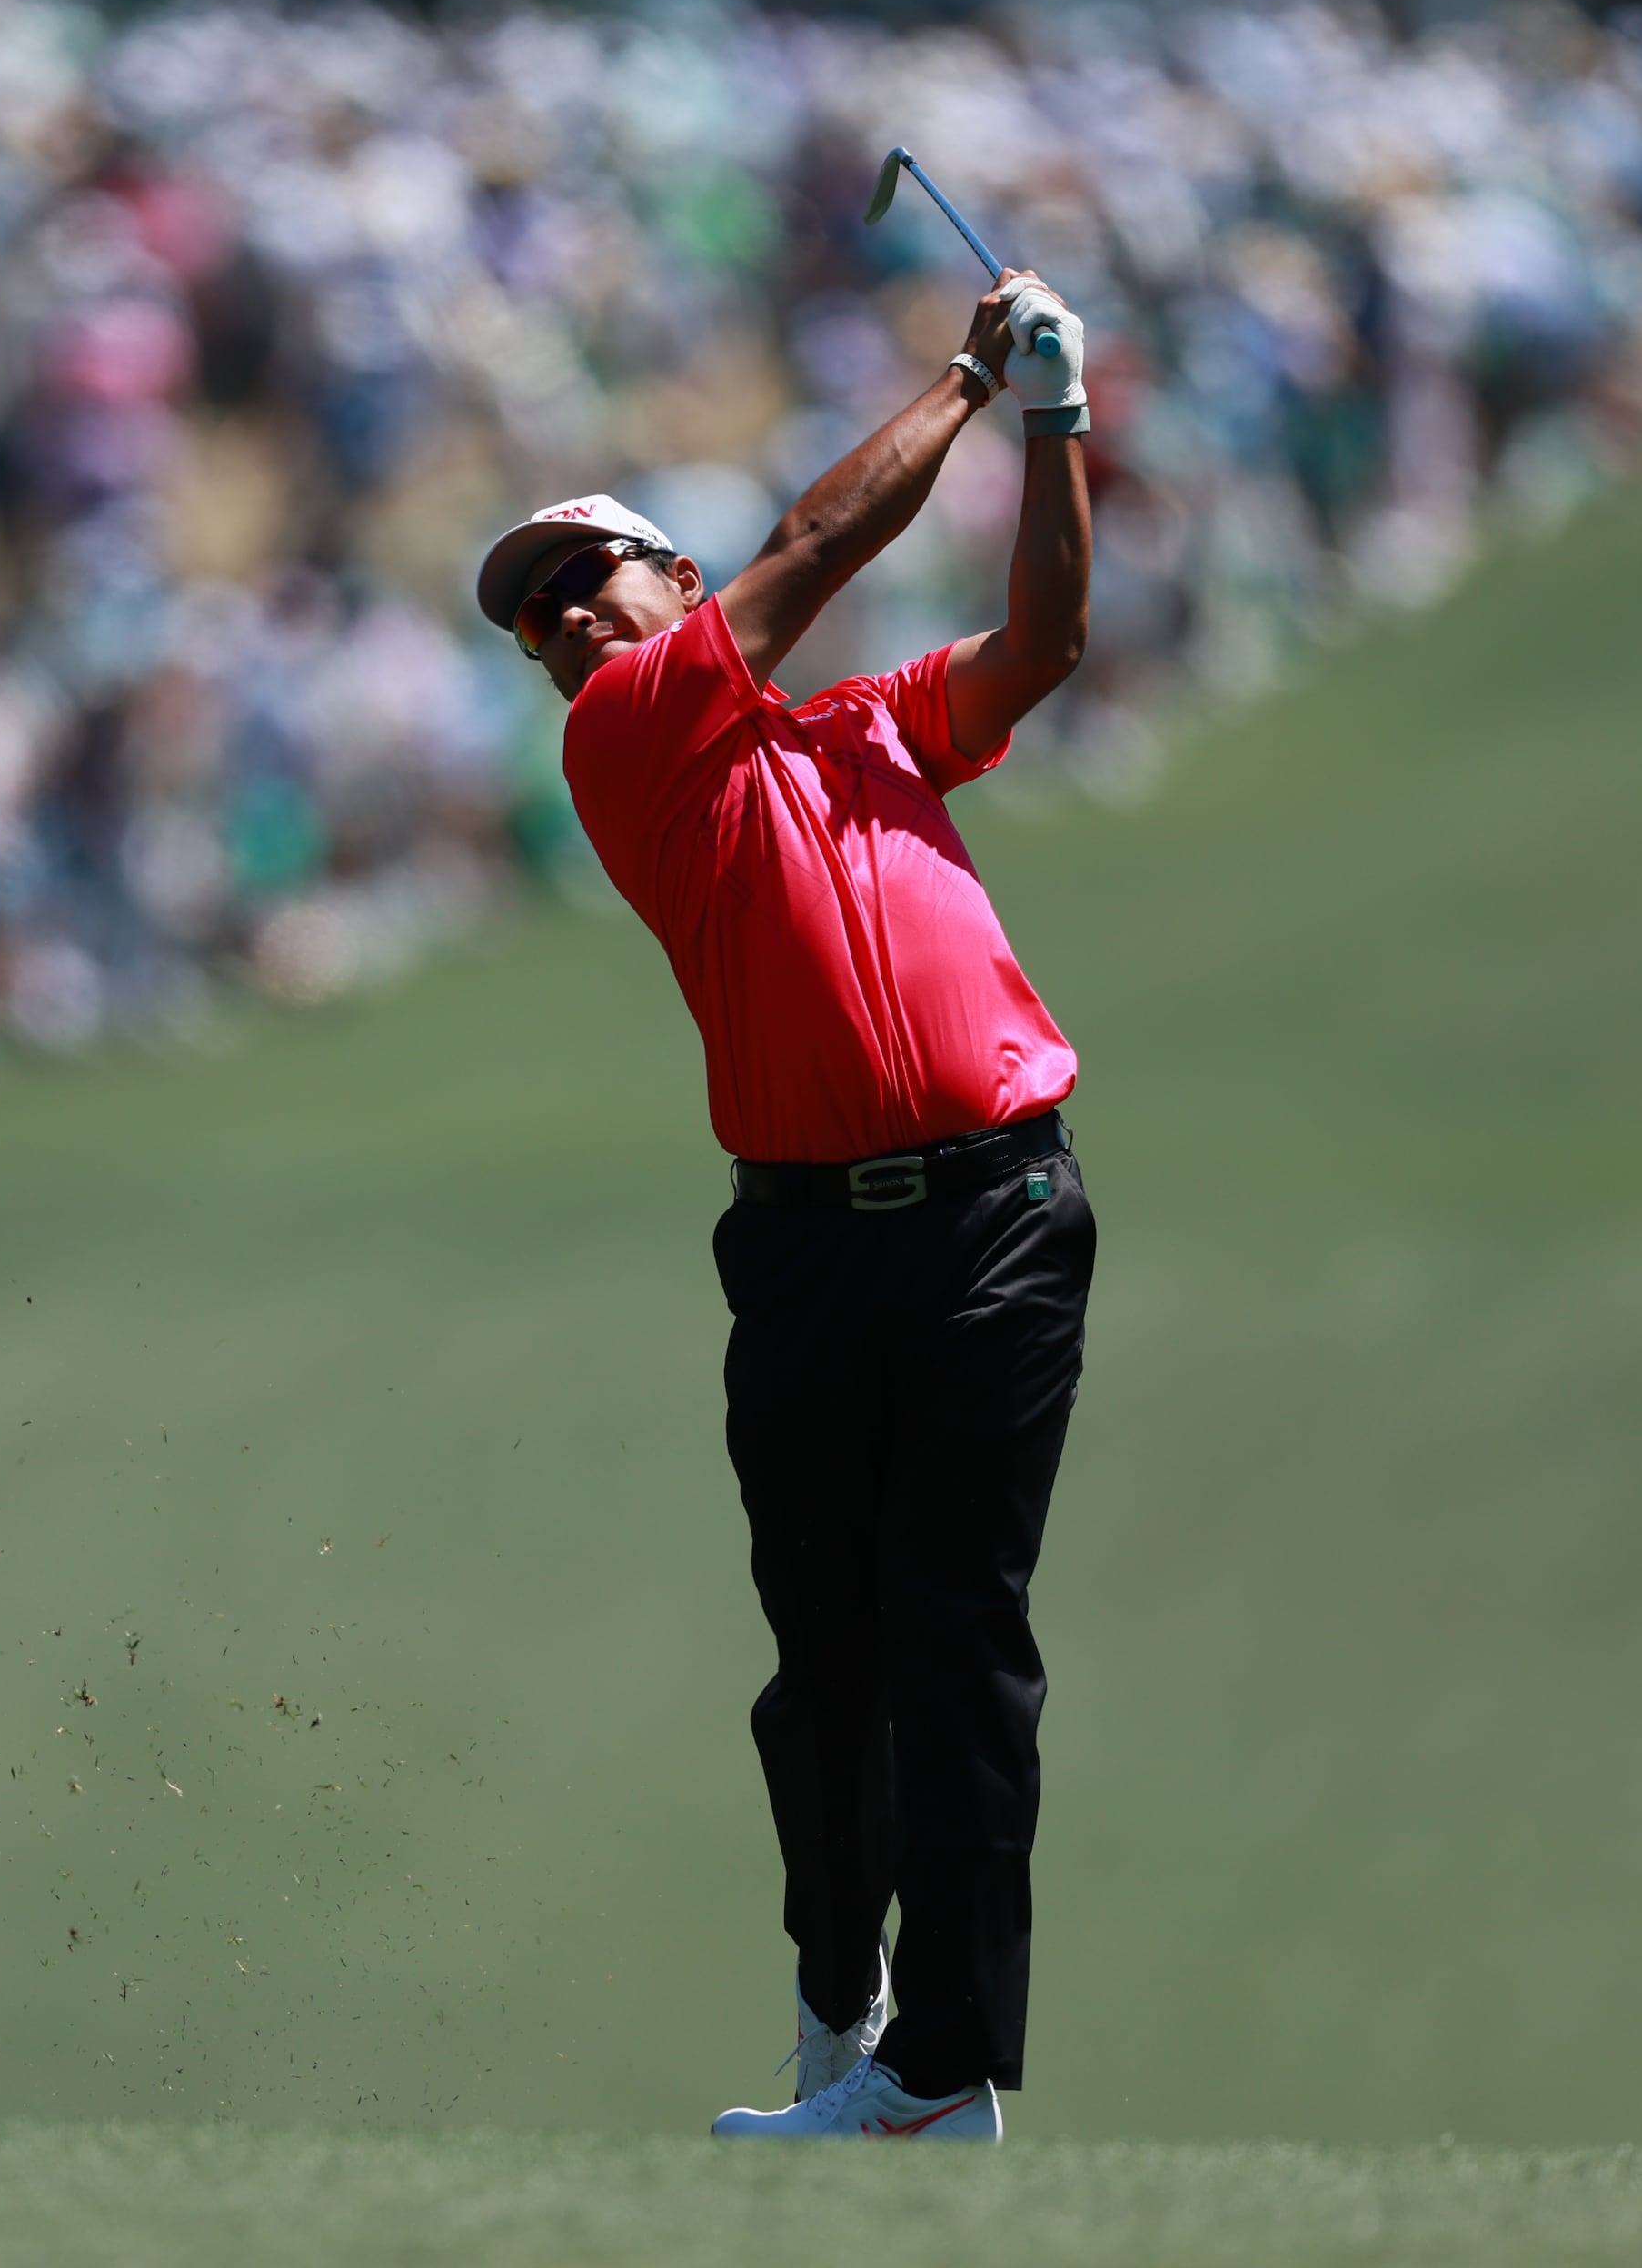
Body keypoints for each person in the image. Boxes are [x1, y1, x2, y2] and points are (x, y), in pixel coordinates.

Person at [473, 273, 1098, 2143]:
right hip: (810, 1244)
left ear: (673, 584)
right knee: (825, 1666)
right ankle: (844, 1988)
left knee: (957, 1638)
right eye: (538, 620)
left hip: (999, 1215)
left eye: (594, 579)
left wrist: (1057, 425)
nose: (567, 621)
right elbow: (825, 536)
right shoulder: (630, 745)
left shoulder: (871, 732)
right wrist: (976, 376)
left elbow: (1047, 639)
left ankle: (943, 2068)